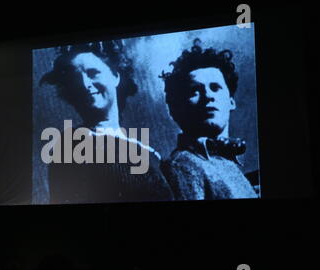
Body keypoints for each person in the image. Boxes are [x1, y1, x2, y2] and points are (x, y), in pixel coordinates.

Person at [40, 40, 173, 204]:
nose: (84, 84)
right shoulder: (70, 147)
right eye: (75, 78)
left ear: (115, 76)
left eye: (93, 73)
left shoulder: (150, 153)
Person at [160, 38, 258, 200]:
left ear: (231, 101)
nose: (208, 96)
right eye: (194, 91)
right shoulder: (182, 165)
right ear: (176, 109)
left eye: (215, 87)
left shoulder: (227, 163)